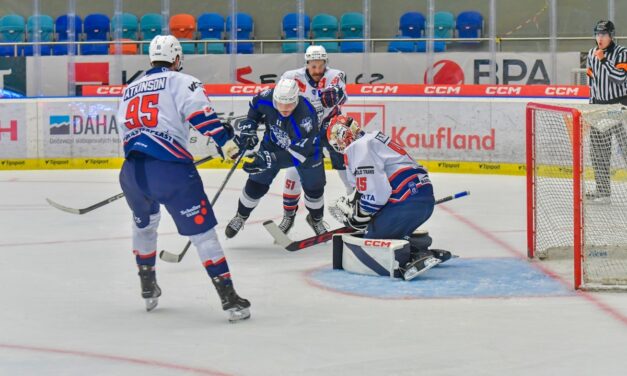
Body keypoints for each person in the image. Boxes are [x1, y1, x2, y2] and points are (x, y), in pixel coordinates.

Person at [116, 35, 250, 322]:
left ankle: (148, 287)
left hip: (131, 173)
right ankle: (230, 300)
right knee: (203, 235)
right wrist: (224, 139)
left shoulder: (129, 89)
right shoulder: (181, 81)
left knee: (144, 225)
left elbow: (126, 131)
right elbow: (200, 114)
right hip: (171, 173)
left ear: (151, 58)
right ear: (176, 59)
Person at [327, 115, 454, 280]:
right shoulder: (373, 138)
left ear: (342, 137)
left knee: (371, 242)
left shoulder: (358, 147)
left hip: (404, 203)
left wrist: (359, 216)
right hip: (423, 200)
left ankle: (412, 255)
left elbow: (378, 194)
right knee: (380, 227)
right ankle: (422, 245)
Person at [222, 78, 328, 237]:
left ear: (296, 100)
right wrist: (250, 127)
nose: (284, 109)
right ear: (274, 99)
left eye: (289, 104)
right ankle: (241, 216)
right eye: (280, 104)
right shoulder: (267, 97)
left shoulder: (306, 116)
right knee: (256, 183)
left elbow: (298, 155)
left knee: (314, 189)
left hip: (307, 152)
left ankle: (316, 220)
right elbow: (254, 107)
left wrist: (269, 159)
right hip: (273, 143)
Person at [275, 45, 349, 235]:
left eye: (321, 66)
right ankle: (288, 217)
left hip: (330, 126)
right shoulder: (291, 76)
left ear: (326, 63)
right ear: (307, 63)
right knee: (293, 171)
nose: (317, 71)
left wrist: (335, 95)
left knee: (346, 169)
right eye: (313, 66)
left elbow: (340, 93)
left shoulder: (336, 75)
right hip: (303, 128)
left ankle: (359, 211)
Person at [586, 20, 627, 203]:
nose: (599, 38)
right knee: (598, 151)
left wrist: (603, 60)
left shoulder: (622, 53)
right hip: (599, 107)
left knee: (625, 148)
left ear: (611, 35)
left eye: (603, 34)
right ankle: (603, 192)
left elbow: (620, 78)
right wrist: (591, 107)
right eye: (597, 34)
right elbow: (592, 83)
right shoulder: (591, 53)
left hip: (619, 107)